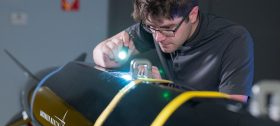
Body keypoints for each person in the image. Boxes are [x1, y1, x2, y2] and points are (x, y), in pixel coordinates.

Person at [92, 0, 254, 102]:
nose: (158, 38)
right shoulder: (154, 28)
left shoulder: (233, 39)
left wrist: (165, 88)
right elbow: (99, 53)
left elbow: (232, 109)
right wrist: (107, 53)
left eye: (168, 28)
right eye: (152, 28)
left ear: (192, 15)